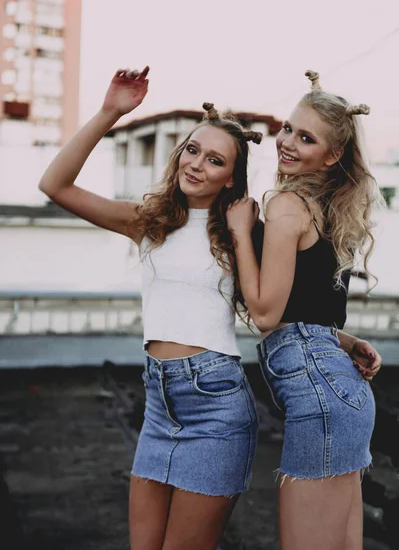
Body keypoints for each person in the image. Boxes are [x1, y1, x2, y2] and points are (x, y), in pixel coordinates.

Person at [38, 67, 261, 550]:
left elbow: (278, 304)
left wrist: (343, 340)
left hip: (216, 405)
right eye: (192, 149)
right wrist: (110, 112)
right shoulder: (152, 221)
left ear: (230, 180)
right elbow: (55, 185)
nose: (196, 164)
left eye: (215, 160)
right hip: (159, 406)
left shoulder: (241, 233)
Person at [226, 70, 383, 550]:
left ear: (333, 154)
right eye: (288, 128)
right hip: (341, 390)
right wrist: (346, 341)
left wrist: (239, 231)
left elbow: (268, 314)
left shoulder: (288, 205)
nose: (287, 142)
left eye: (306, 137)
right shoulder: (324, 209)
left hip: (321, 394)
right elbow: (309, 314)